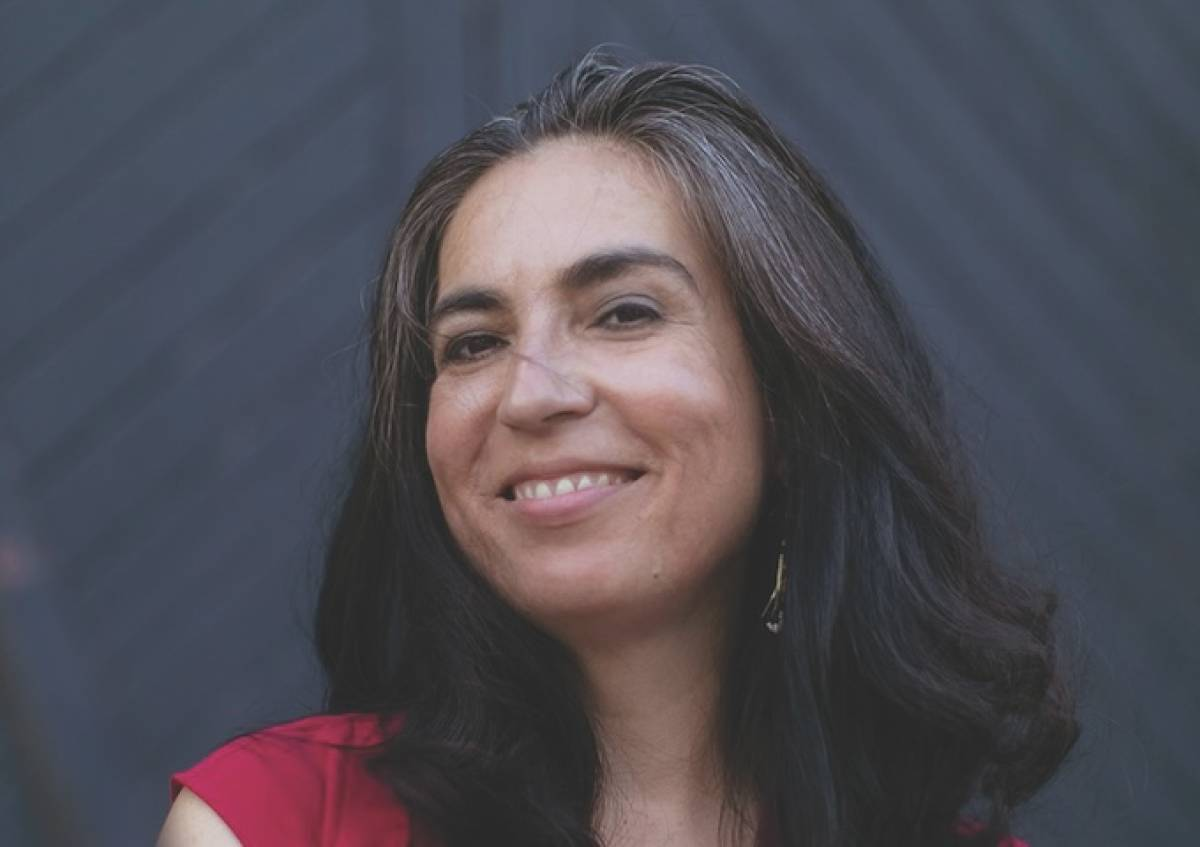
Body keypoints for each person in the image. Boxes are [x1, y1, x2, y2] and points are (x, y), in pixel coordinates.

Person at [157, 47, 1078, 847]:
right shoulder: (271, 825)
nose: (531, 392)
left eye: (623, 313)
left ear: (793, 400)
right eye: (474, 342)